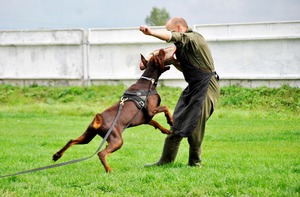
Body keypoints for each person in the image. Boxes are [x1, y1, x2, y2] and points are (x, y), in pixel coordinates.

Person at [139, 17, 220, 167]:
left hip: (207, 87)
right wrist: (150, 58)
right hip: (193, 87)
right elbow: (168, 53)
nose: (170, 34)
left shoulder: (193, 38)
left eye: (170, 30)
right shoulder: (183, 46)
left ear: (179, 27)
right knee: (176, 121)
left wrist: (151, 33)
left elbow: (173, 38)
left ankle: (195, 163)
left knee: (195, 124)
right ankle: (165, 161)